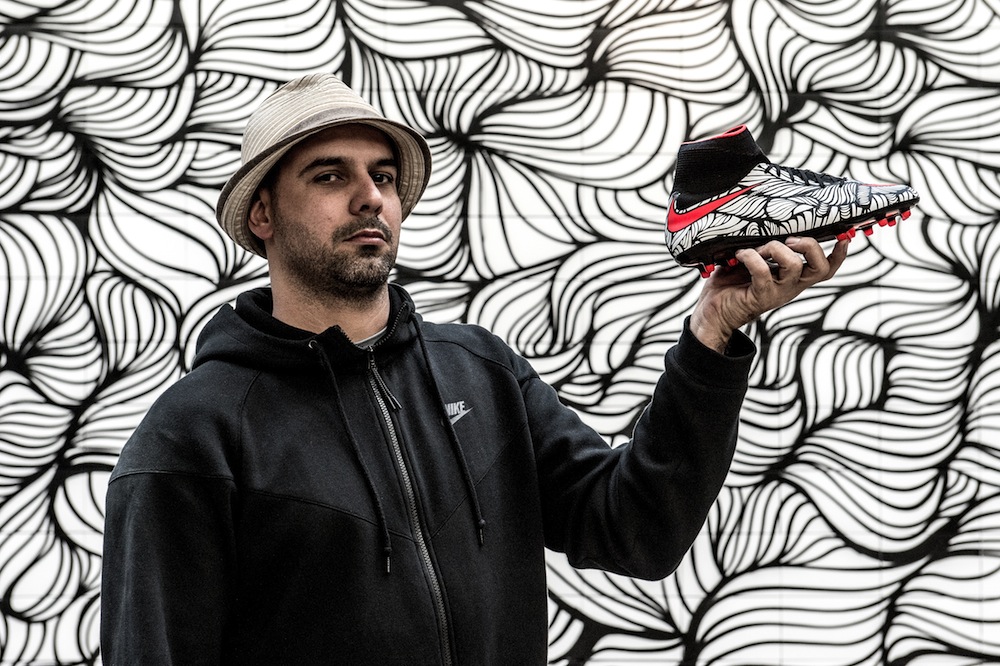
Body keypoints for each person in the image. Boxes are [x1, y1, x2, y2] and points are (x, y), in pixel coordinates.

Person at [100, 73, 848, 664]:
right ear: (262, 215)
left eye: (384, 176)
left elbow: (638, 530)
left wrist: (713, 331)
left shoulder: (480, 374)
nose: (370, 198)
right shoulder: (192, 435)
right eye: (330, 177)